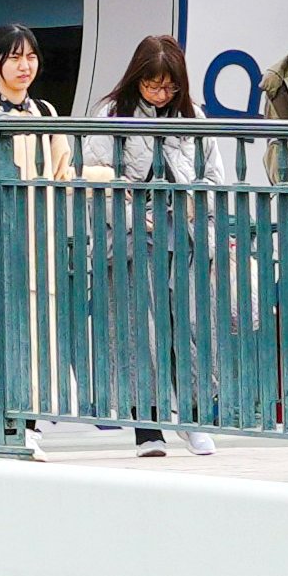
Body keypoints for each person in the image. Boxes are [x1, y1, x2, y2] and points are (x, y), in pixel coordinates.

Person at [101, 33, 200, 454]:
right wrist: (134, 216)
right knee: (141, 333)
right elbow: (99, 179)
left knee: (191, 327)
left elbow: (211, 176)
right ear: (136, 79)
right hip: (133, 239)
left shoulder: (193, 117)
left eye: (169, 86)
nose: (161, 94)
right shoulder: (111, 116)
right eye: (153, 85)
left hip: (185, 236)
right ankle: (148, 424)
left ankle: (194, 414)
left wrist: (196, 205)